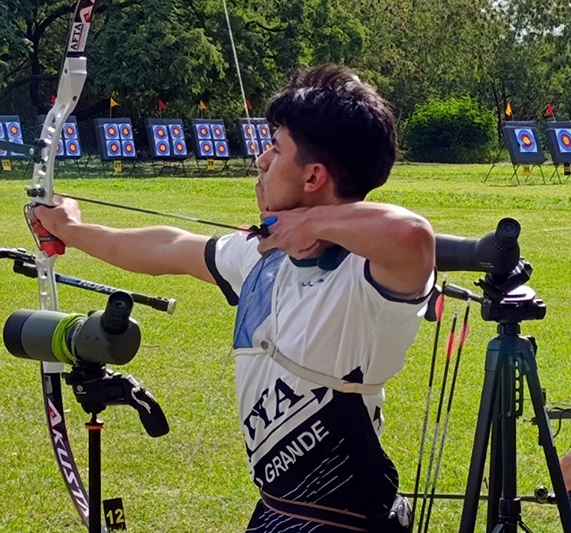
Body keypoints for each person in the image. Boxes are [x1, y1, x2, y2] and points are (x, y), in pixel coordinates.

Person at [33, 64, 435, 531]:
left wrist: (309, 224)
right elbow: (168, 247)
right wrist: (70, 228)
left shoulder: (367, 279)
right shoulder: (261, 257)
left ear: (314, 177)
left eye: (276, 148)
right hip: (275, 512)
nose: (261, 161)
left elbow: (413, 236)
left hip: (345, 522)